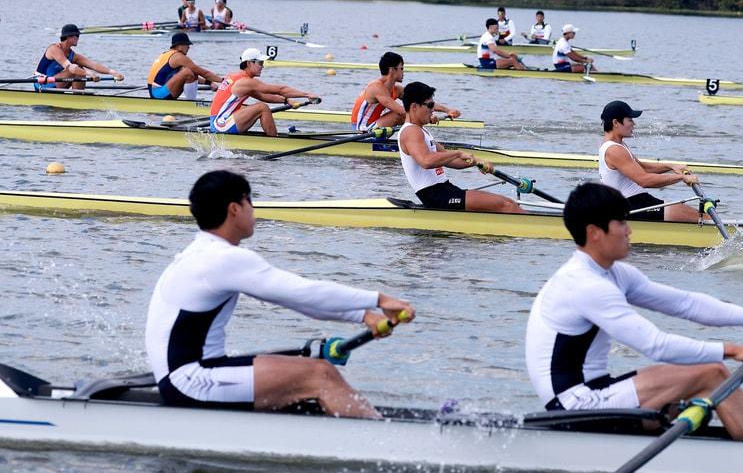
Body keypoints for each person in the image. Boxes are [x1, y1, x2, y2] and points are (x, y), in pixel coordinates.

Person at [525, 182, 743, 442]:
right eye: (621, 223)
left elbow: (685, 304)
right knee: (712, 374)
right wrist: (736, 351)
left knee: (702, 379)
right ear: (595, 232)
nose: (629, 231)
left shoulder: (615, 274)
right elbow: (656, 345)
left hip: (599, 389)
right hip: (574, 407)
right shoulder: (585, 285)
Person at [145, 169, 414, 417]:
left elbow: (300, 301)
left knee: (304, 367)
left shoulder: (202, 253)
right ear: (234, 209)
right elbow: (301, 293)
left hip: (185, 374)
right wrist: (379, 299)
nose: (254, 211)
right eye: (250, 202)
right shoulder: (222, 259)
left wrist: (362, 315)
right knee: (320, 375)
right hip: (190, 381)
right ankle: (387, 444)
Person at [397, 81, 525, 214]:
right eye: (429, 105)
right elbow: (426, 161)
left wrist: (477, 162)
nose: (433, 110)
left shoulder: (421, 131)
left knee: (509, 203)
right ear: (414, 107)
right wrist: (458, 153)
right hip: (435, 196)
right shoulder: (411, 131)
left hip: (445, 190)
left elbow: (449, 160)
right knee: (507, 206)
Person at [597, 100, 703, 222]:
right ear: (616, 122)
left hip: (637, 201)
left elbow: (642, 167)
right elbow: (644, 180)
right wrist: (681, 178)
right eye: (630, 119)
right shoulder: (614, 150)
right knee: (703, 218)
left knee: (699, 215)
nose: (634, 124)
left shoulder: (618, 144)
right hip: (631, 205)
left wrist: (671, 166)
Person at [210, 48, 322, 135]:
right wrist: (306, 95)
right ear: (249, 63)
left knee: (255, 106)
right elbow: (280, 89)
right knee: (262, 107)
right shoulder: (246, 82)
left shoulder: (237, 77)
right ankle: (274, 142)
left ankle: (270, 137)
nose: (262, 66)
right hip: (220, 124)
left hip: (219, 121)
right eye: (260, 63)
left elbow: (264, 96)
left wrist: (287, 100)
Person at [351, 52, 462, 131]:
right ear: (392, 70)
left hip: (377, 127)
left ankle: (417, 140)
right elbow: (400, 111)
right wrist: (426, 117)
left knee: (414, 107)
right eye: (402, 68)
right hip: (362, 130)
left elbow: (423, 102)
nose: (404, 72)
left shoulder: (397, 89)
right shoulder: (376, 87)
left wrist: (447, 110)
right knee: (401, 114)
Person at [34, 24, 124, 91]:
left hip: (54, 83)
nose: (78, 38)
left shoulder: (74, 56)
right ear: (69, 37)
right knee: (78, 70)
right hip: (41, 84)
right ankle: (77, 100)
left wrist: (112, 72)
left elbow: (93, 65)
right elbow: (71, 68)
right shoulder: (54, 49)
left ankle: (78, 98)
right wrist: (89, 74)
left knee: (80, 69)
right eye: (77, 36)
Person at [147, 32, 226, 100]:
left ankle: (190, 101)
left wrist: (209, 83)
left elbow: (193, 74)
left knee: (189, 71)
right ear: (179, 45)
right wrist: (223, 81)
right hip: (158, 94)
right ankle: (191, 104)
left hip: (156, 91)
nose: (189, 47)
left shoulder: (167, 54)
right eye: (187, 44)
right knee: (188, 71)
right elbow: (204, 73)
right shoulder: (178, 57)